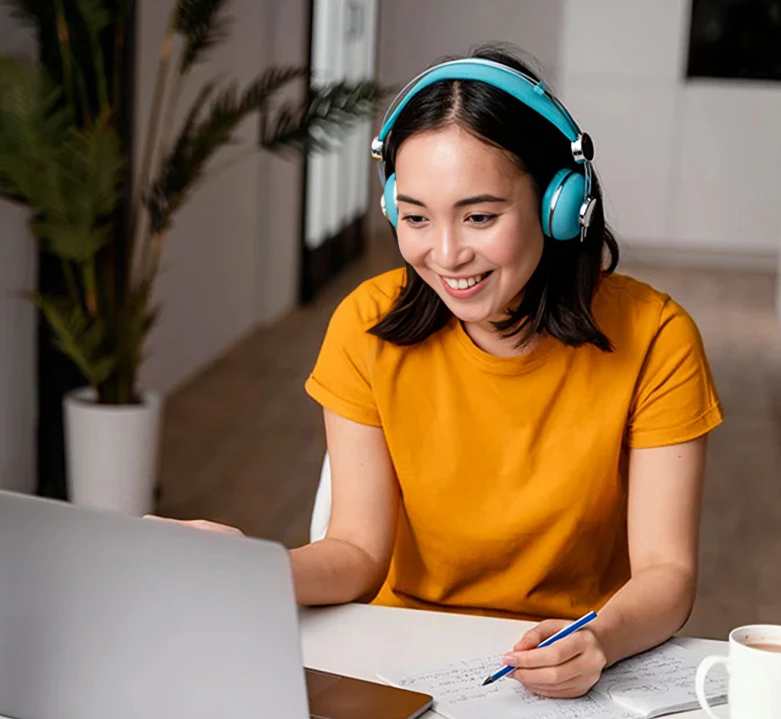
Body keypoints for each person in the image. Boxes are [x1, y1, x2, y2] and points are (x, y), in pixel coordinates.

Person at [154, 44, 723, 699]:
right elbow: (357, 552)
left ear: (559, 204)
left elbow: (665, 570)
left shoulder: (656, 337)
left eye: (479, 216)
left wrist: (598, 638)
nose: (446, 253)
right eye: (417, 217)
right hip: (401, 655)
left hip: (573, 659)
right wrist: (249, 567)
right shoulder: (364, 325)